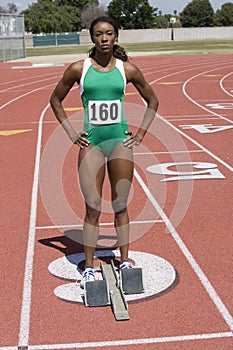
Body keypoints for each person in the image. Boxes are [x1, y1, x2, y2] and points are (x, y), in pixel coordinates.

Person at [50, 16, 159, 287]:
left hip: (120, 144)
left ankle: (124, 260)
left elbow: (153, 100)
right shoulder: (79, 68)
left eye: (109, 33)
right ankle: (88, 267)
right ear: (92, 38)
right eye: (99, 34)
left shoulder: (128, 70)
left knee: (121, 205)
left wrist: (142, 133)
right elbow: (55, 99)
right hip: (93, 146)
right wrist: (71, 133)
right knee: (93, 209)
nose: (104, 38)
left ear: (116, 36)